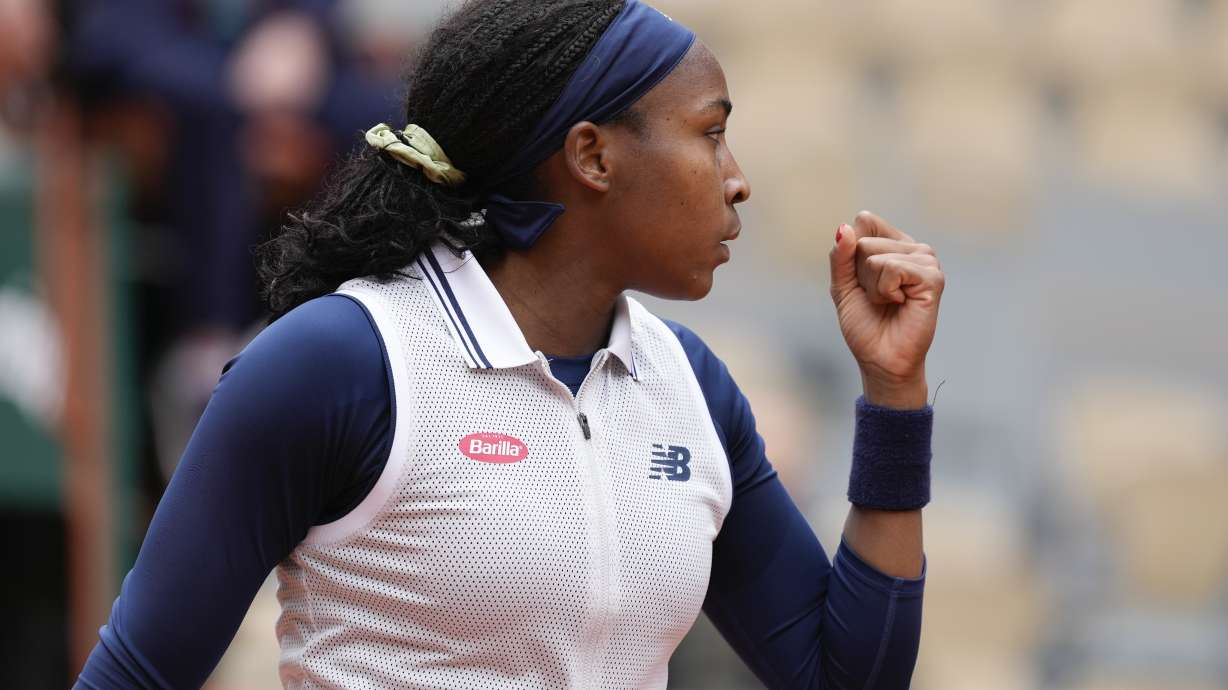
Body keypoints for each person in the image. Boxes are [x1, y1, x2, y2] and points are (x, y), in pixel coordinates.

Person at [75, 1, 946, 688]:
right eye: (709, 132)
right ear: (592, 156)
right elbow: (138, 676)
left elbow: (845, 678)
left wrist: (895, 395)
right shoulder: (339, 361)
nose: (738, 178)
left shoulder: (694, 387)